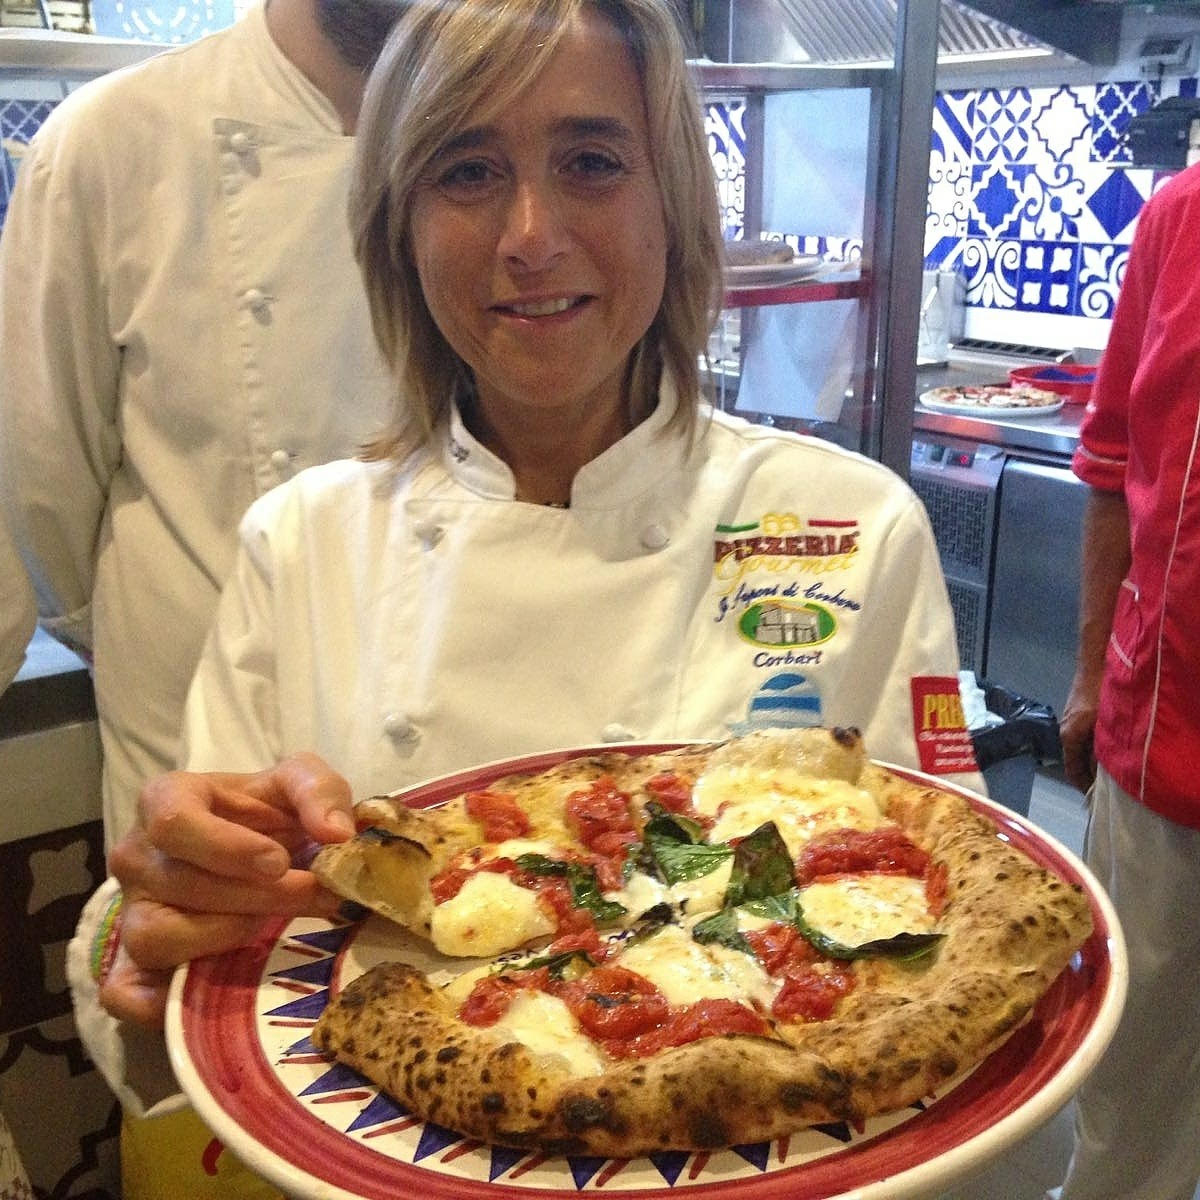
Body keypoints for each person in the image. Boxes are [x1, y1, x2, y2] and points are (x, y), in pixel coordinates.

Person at [78, 0, 975, 1180]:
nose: (530, 234)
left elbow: (943, 908)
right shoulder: (299, 544)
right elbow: (234, 981)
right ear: (397, 227)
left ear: (675, 205)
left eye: (592, 162)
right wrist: (171, 924)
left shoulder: (857, 525)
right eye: (466, 171)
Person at [0, 0, 407, 850]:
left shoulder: (503, 140)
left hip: (455, 731)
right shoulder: (109, 141)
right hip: (198, 753)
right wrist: (174, 640)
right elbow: (39, 478)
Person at [1054, 162, 1200, 1200]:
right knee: (1132, 1085)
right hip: (1165, 747)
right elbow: (1112, 470)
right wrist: (1083, 677)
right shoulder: (1180, 216)